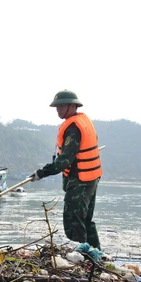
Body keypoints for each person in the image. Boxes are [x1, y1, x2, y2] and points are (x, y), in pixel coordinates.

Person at [30, 90, 103, 250]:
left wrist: (41, 173)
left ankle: (81, 257)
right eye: (57, 107)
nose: (58, 110)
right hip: (91, 178)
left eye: (61, 106)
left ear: (72, 105)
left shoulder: (73, 128)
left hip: (81, 181)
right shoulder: (83, 121)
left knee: (73, 221)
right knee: (85, 220)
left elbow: (64, 160)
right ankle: (97, 256)